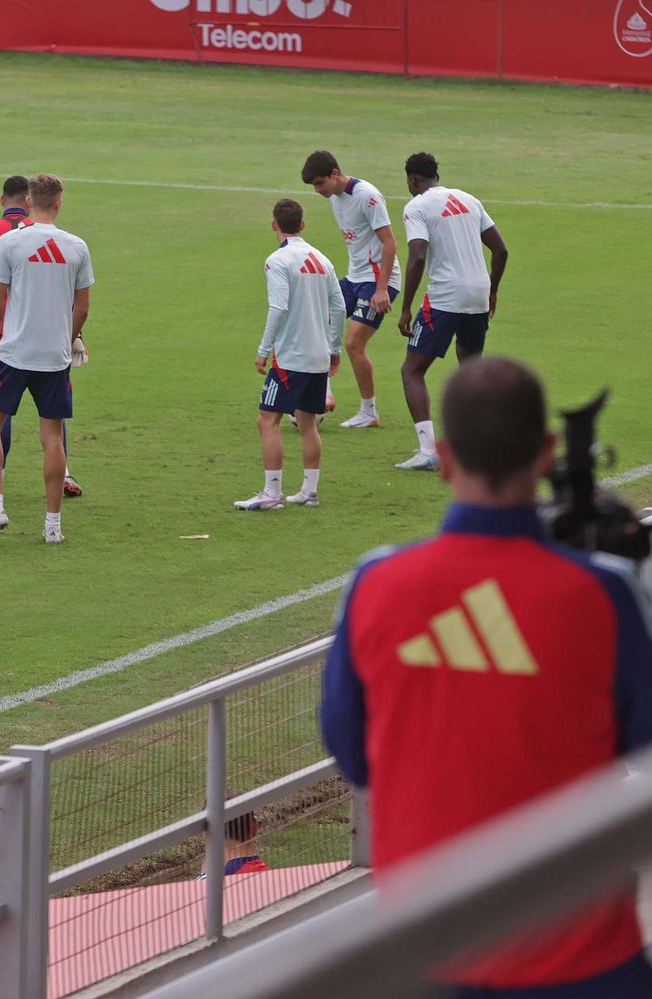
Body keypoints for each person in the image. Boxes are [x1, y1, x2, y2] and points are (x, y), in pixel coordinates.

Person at [320, 356, 652, 996]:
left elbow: (356, 757)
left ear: (444, 457)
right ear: (548, 451)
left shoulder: (376, 586)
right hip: (585, 962)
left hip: (422, 954)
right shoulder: (602, 593)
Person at [0, 175, 81, 500]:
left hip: (5, 339)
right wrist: (76, 336)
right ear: (28, 201)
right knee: (52, 416)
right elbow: (67, 294)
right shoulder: (60, 241)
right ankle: (63, 475)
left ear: (2, 200)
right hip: (51, 338)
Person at [0, 173, 93, 546]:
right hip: (54, 356)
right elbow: (83, 307)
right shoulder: (76, 246)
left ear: (28, 201)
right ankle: (53, 525)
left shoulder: (10, 243)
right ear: (58, 202)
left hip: (14, 351)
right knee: (52, 436)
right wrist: (70, 338)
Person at [393, 152, 508, 472]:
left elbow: (417, 256)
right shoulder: (469, 199)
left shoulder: (416, 207)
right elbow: (501, 249)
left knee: (412, 370)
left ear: (412, 180)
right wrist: (493, 289)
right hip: (478, 294)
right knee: (471, 371)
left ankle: (428, 451)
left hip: (445, 296)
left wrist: (405, 307)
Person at [234, 199, 343, 512]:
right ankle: (309, 491)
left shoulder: (277, 261)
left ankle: (271, 493)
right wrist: (334, 349)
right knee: (308, 423)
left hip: (291, 358)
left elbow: (279, 307)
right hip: (318, 357)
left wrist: (263, 349)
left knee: (267, 420)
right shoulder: (323, 259)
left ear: (274, 225)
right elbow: (338, 307)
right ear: (303, 225)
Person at [301, 150, 401, 429]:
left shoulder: (367, 196)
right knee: (319, 322)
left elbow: (390, 242)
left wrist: (382, 289)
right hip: (355, 278)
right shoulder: (336, 198)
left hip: (379, 280)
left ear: (335, 174)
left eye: (320, 183)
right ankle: (324, 394)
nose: (318, 191)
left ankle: (369, 412)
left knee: (354, 343)